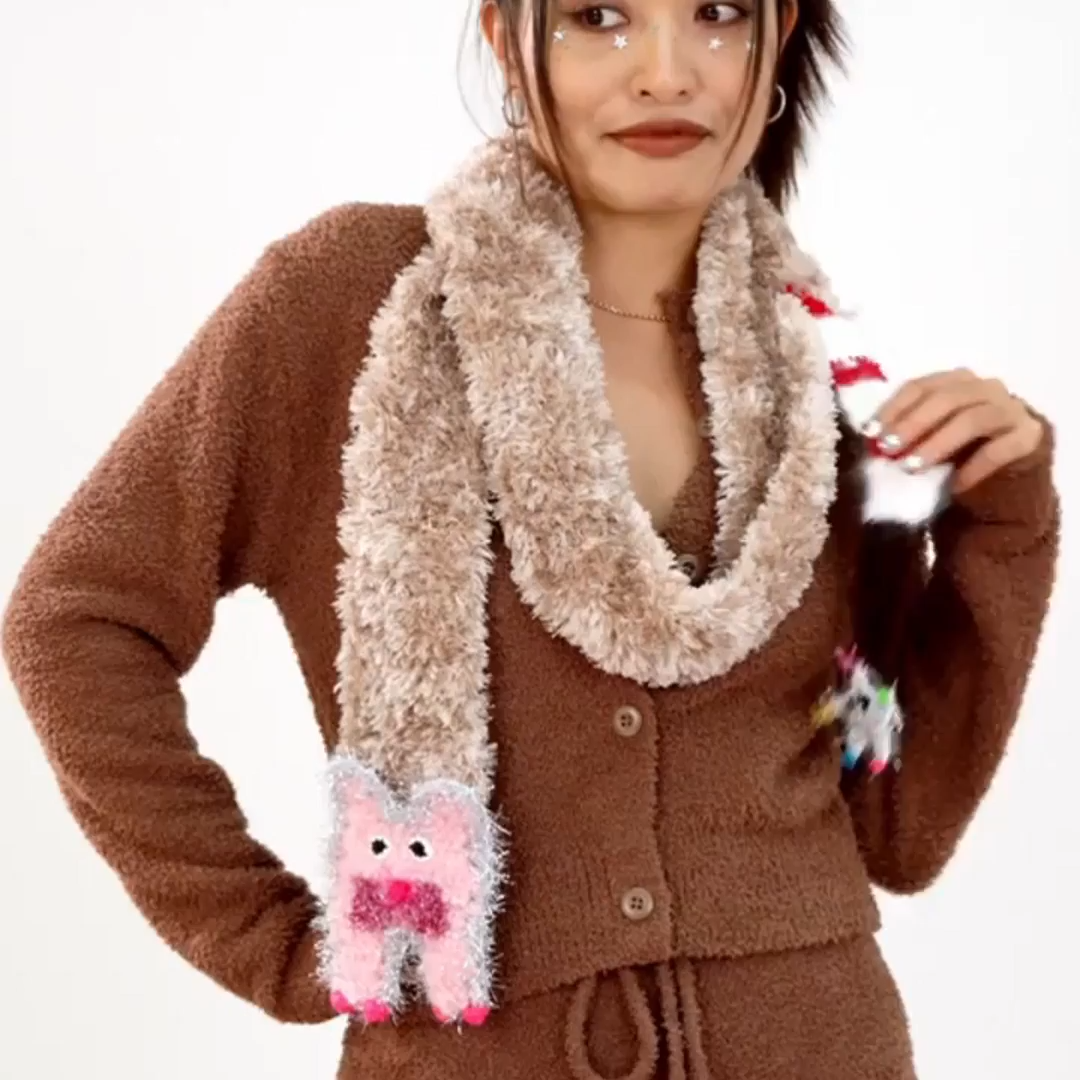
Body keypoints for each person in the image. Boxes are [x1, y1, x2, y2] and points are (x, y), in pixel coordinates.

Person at [2, 1, 1059, 1078]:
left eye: (716, 14)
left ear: (776, 34)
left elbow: (896, 822)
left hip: (822, 1044)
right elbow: (76, 618)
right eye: (600, 16)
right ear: (508, 39)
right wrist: (274, 944)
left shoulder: (822, 378)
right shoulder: (351, 303)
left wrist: (1005, 521)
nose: (664, 70)